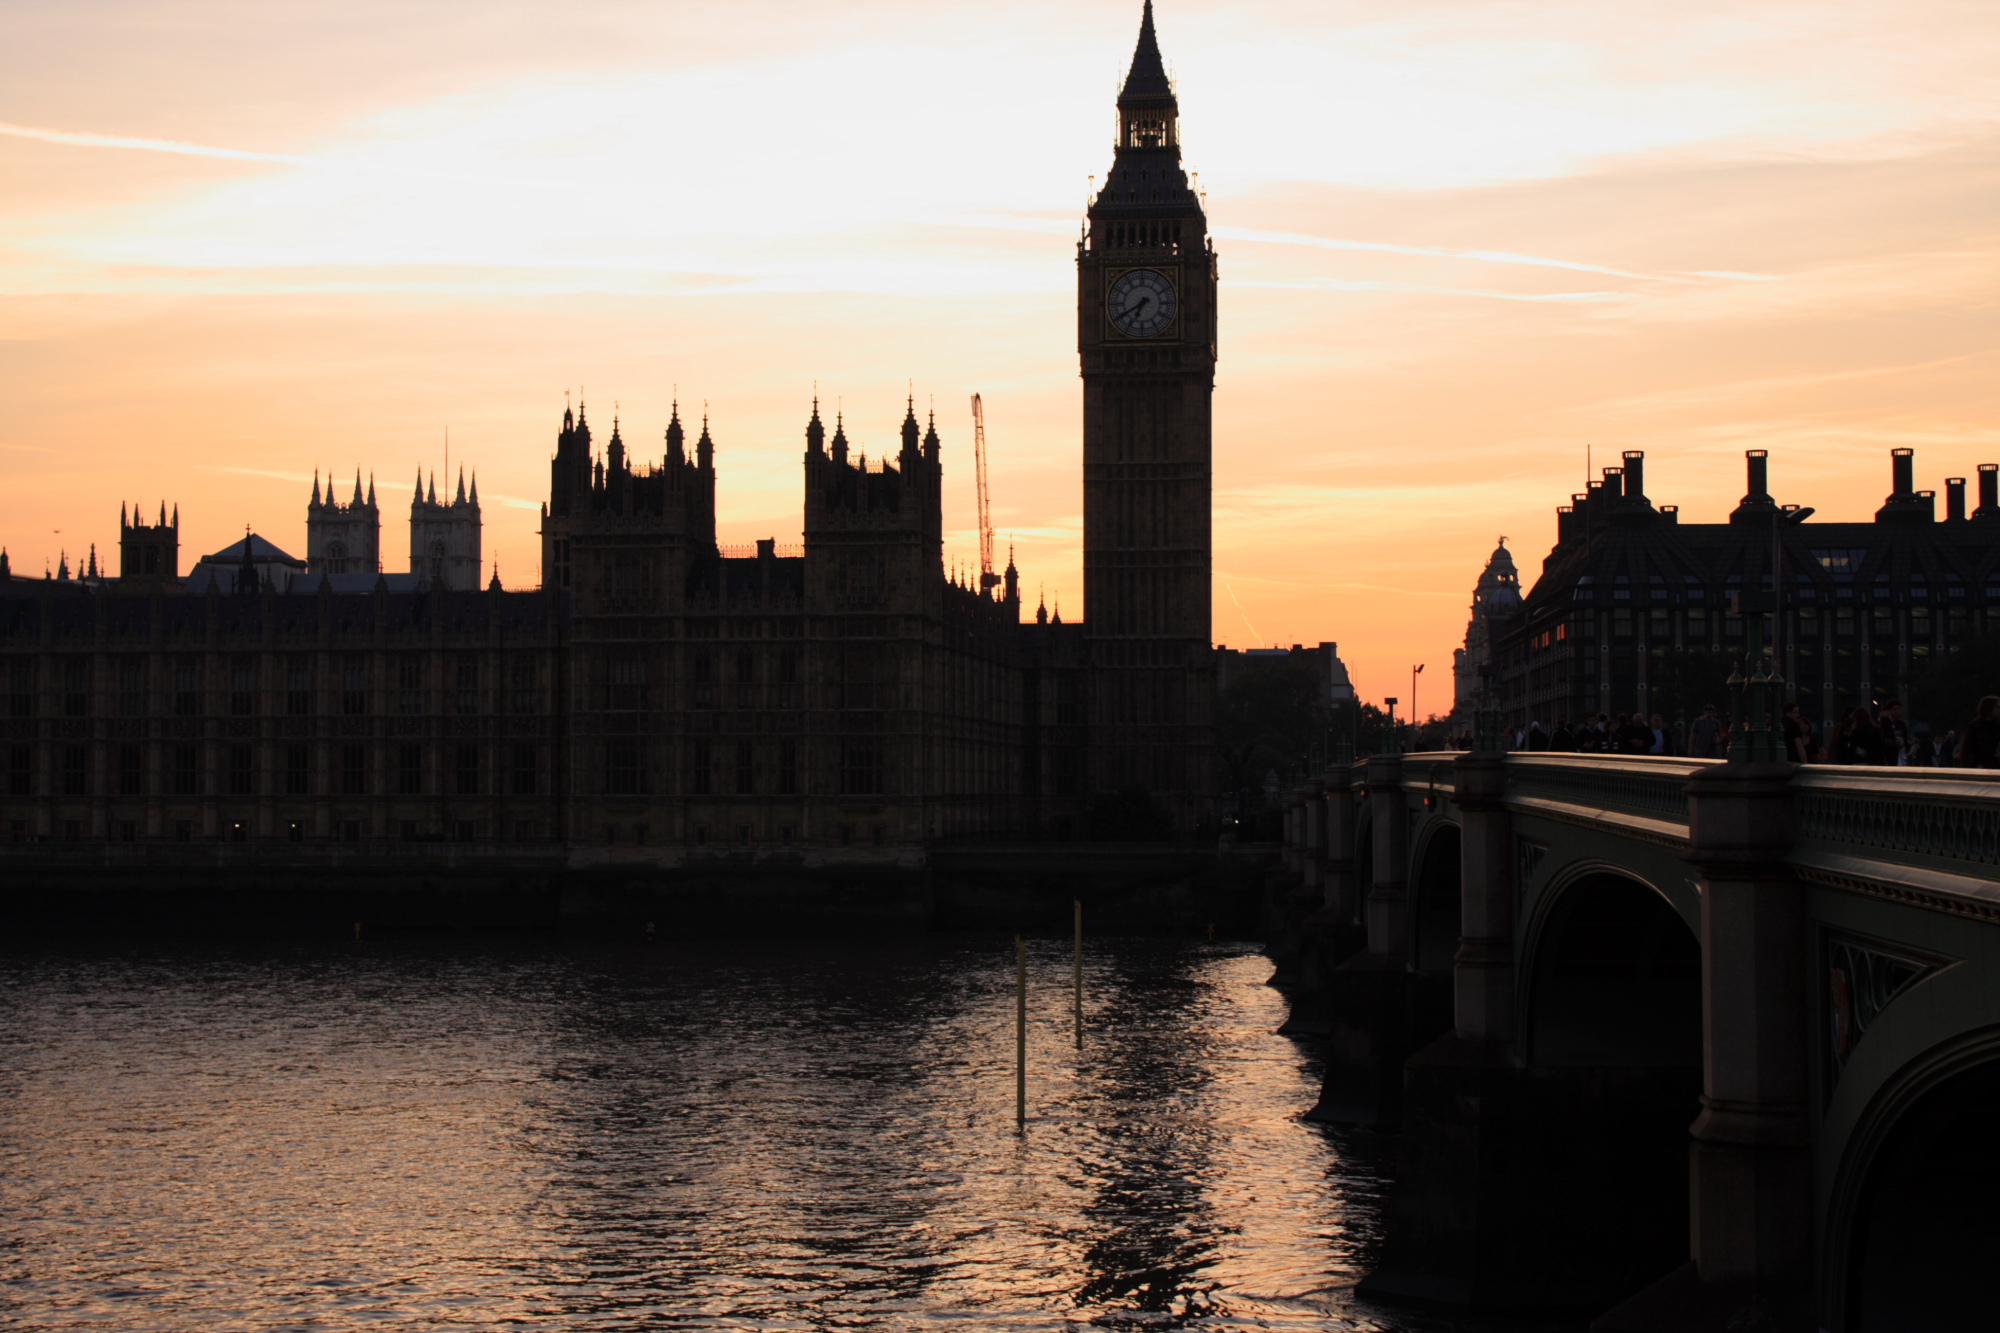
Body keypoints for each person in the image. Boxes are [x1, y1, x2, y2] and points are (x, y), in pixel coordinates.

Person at [1957, 696, 2000, 768]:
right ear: (1989, 709)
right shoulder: (1975, 727)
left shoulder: (1998, 726)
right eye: (1997, 707)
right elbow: (1966, 750)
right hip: (1979, 766)